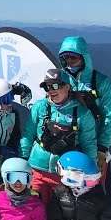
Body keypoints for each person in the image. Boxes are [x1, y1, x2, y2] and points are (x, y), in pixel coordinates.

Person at [21, 69, 98, 204]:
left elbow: (89, 145)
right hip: (36, 170)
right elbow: (28, 134)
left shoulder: (82, 114)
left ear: (68, 86)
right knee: (34, 209)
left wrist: (91, 174)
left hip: (65, 175)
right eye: (47, 86)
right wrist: (22, 161)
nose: (51, 90)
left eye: (56, 85)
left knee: (60, 216)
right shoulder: (39, 107)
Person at [57, 37, 111, 199]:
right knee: (63, 192)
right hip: (66, 145)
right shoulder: (61, 80)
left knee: (95, 190)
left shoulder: (101, 83)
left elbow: (110, 117)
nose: (69, 61)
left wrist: (102, 148)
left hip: (93, 145)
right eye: (65, 57)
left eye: (73, 57)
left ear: (84, 57)